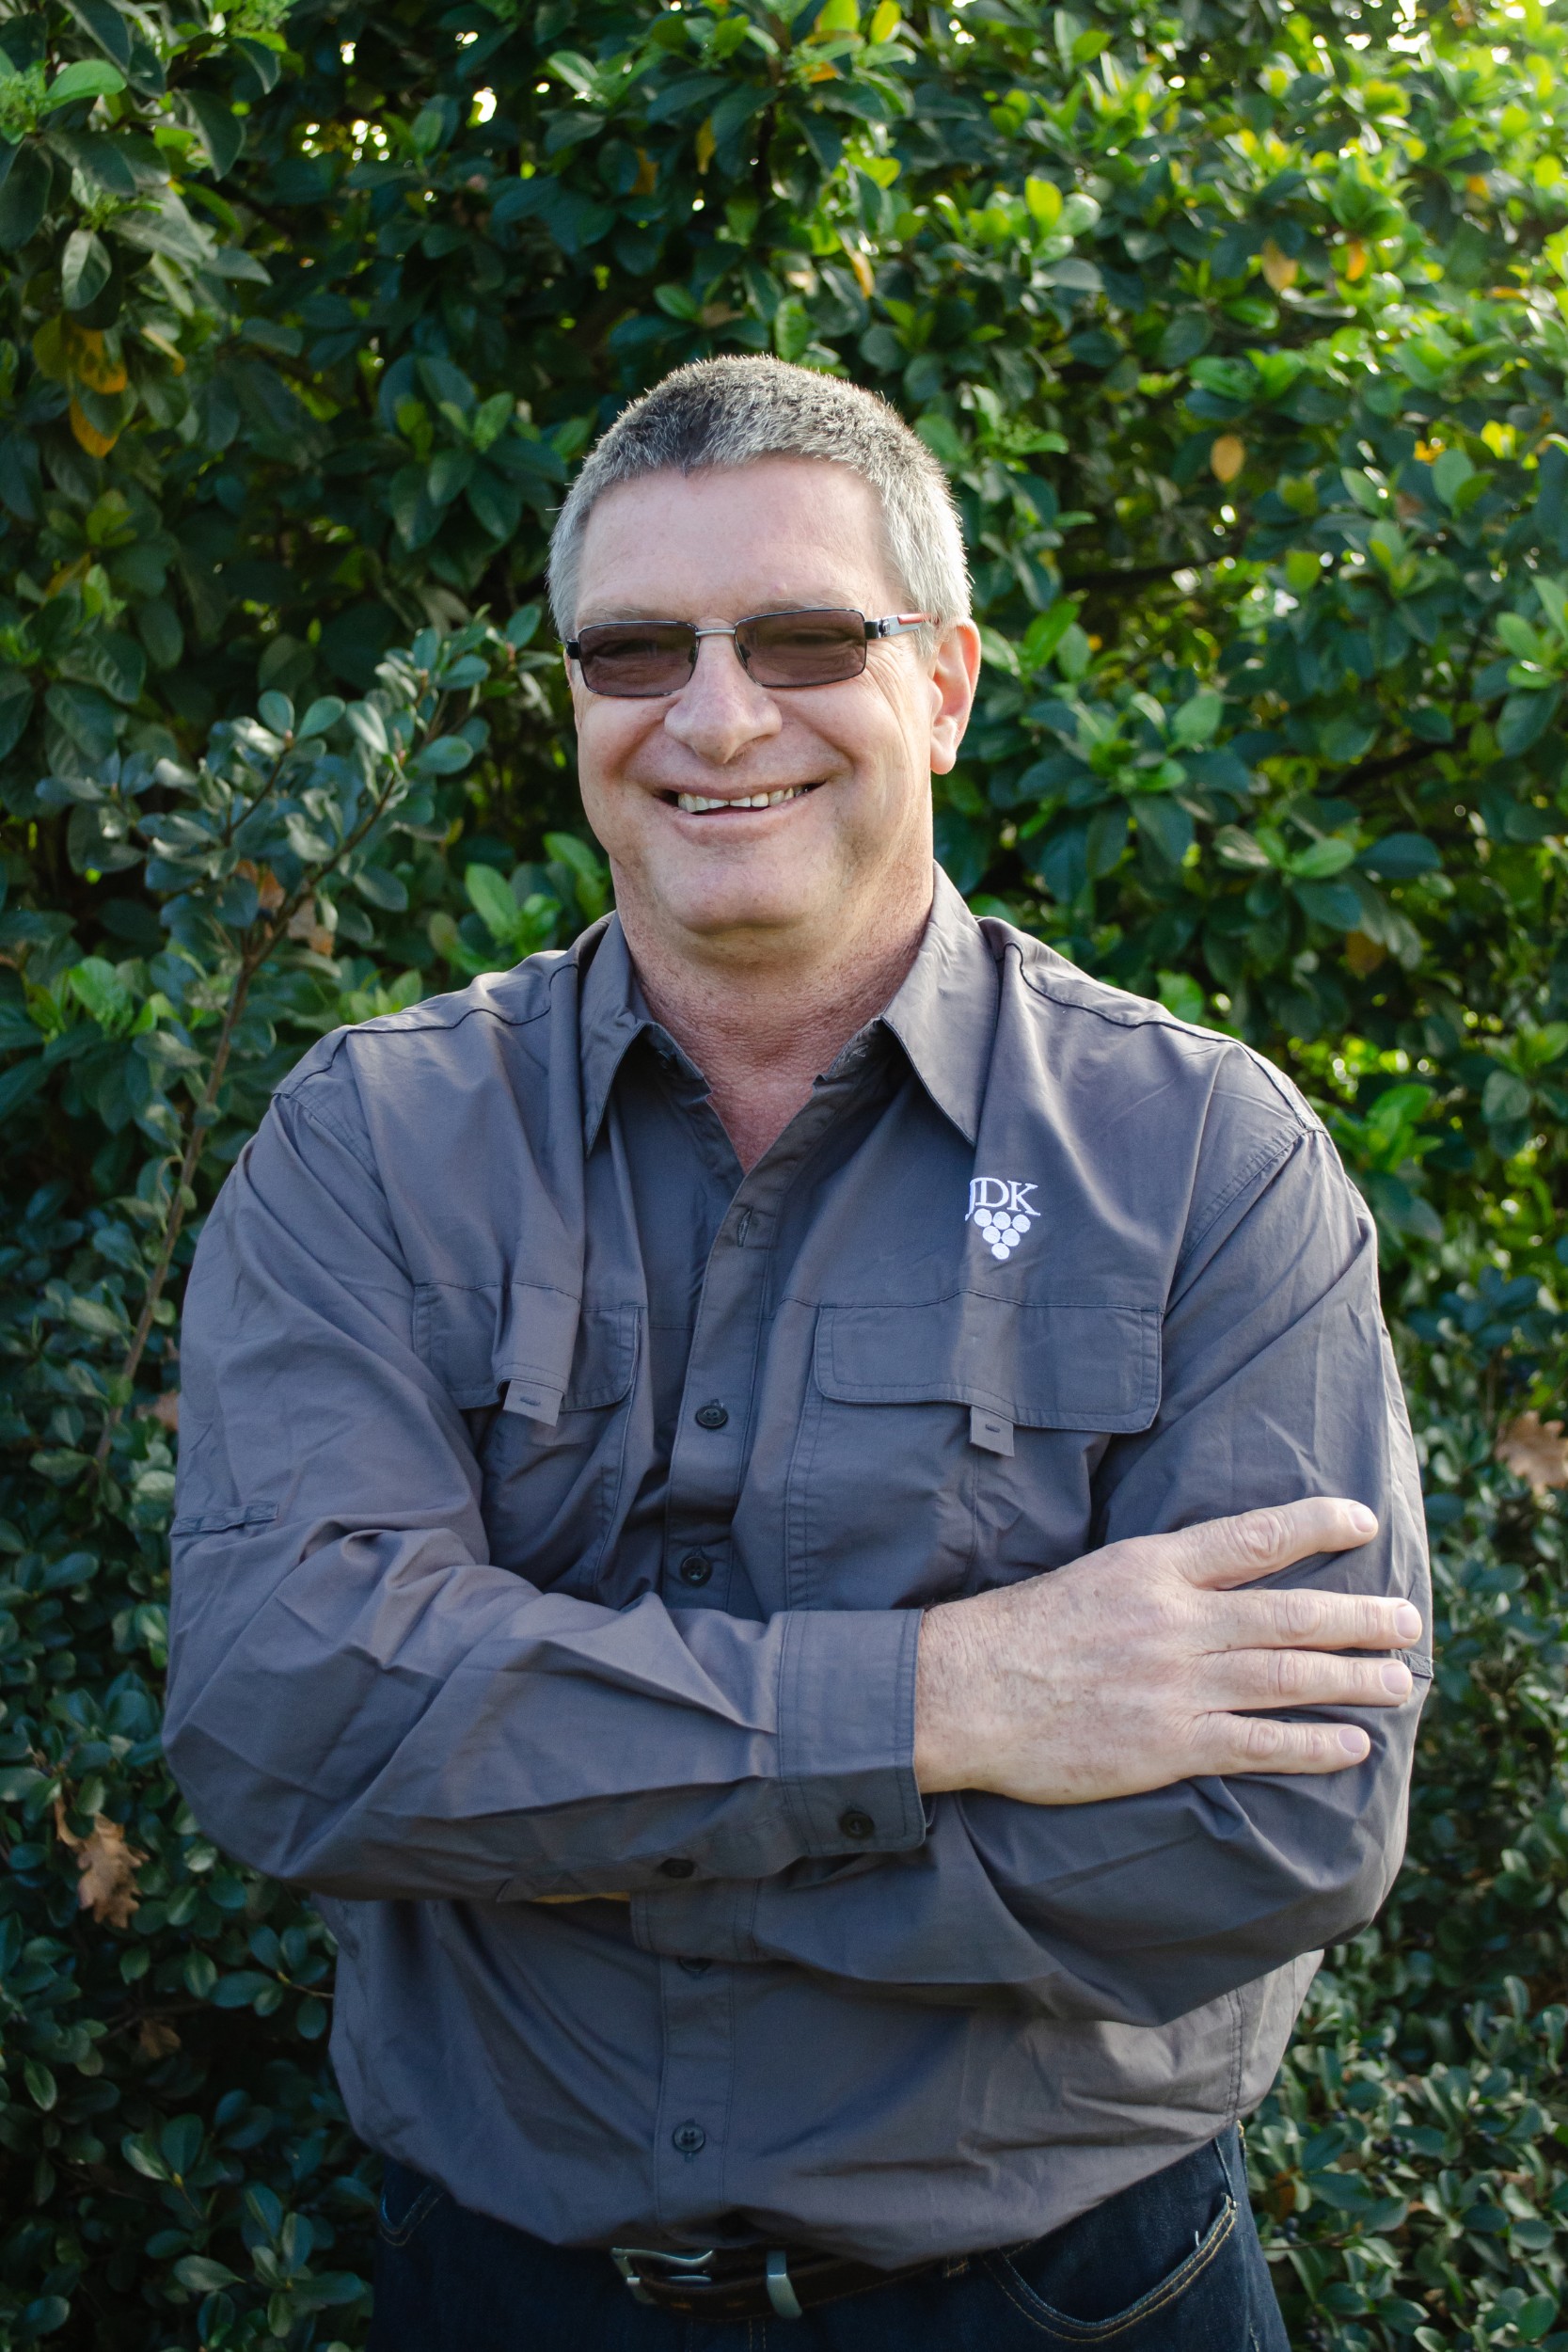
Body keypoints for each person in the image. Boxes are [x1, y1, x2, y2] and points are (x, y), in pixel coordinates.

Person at [165, 357, 1430, 2350]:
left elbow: (1277, 1823)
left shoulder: (1201, 1160)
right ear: (574, 700)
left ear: (945, 683)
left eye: (806, 639)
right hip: (506, 2297)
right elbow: (289, 1717)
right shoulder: (376, 1144)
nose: (718, 714)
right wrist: (948, 1700)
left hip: (1073, 2304)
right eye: (635, 649)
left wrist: (546, 1828)